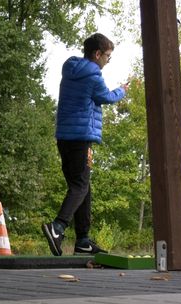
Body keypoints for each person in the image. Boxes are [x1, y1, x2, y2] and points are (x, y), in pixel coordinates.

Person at [42, 33, 129, 256]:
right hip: (82, 138)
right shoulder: (93, 75)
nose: (108, 61)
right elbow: (106, 97)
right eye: (107, 56)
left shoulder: (70, 71)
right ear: (97, 54)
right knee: (81, 186)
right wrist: (123, 90)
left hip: (64, 137)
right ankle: (58, 227)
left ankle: (82, 240)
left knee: (81, 186)